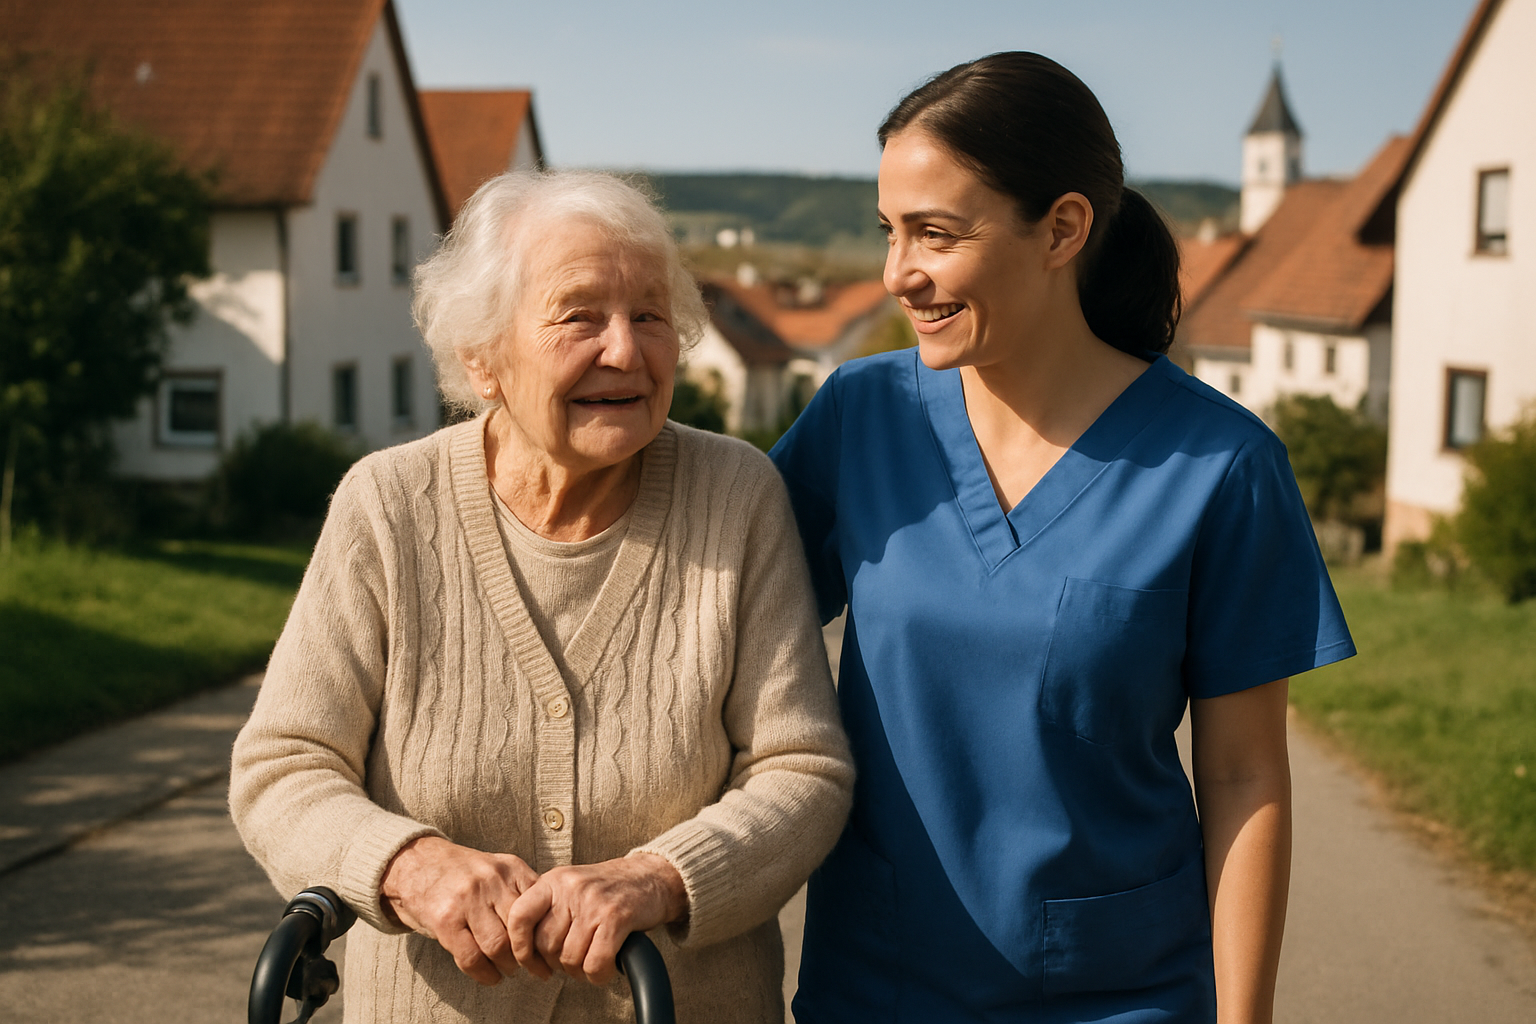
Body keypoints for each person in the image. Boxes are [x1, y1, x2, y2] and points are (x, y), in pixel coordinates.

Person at [770, 52, 1354, 1024]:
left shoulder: (1222, 466)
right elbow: (713, 628)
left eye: (935, 234)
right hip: (874, 985)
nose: (895, 274)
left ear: (1064, 228)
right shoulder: (858, 420)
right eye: (889, 232)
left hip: (1117, 995)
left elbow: (1246, 775)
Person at [230, 169, 854, 1024]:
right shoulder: (388, 505)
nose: (626, 352)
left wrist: (659, 879)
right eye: (579, 316)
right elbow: (283, 766)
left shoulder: (736, 496)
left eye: (650, 316)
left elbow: (803, 769)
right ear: (482, 359)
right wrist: (408, 866)